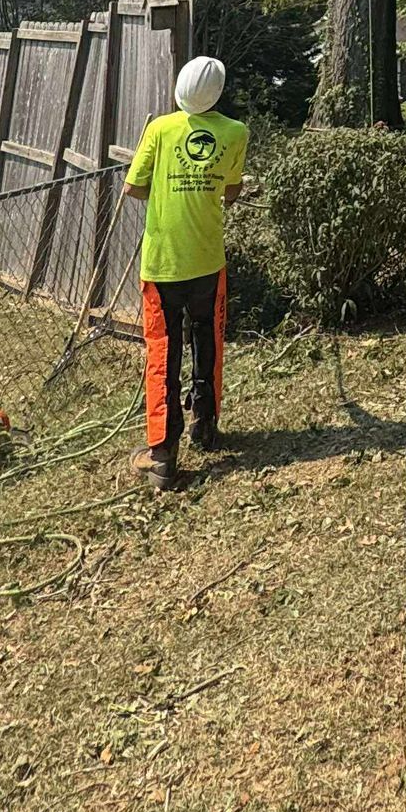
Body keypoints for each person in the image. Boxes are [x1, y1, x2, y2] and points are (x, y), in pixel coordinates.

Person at [124, 53, 248, 493]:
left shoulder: (159, 129)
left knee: (163, 352)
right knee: (207, 339)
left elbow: (134, 187)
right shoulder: (236, 133)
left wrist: (168, 180)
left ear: (179, 89)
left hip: (161, 264)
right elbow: (231, 190)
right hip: (207, 262)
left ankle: (162, 456)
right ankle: (205, 425)